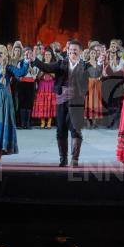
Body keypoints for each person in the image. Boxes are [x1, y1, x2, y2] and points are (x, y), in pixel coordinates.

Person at [32, 40, 102, 168]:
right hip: (62, 99)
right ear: (67, 51)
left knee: (76, 129)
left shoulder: (85, 65)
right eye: (71, 50)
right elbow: (46, 67)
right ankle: (63, 159)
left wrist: (100, 63)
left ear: (80, 51)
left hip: (77, 101)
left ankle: (74, 159)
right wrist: (34, 60)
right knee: (61, 129)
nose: (72, 52)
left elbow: (95, 73)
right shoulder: (61, 63)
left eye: (75, 50)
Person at [33, 46, 57, 129]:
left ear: (51, 56)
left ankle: (49, 123)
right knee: (42, 103)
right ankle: (42, 123)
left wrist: (48, 70)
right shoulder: (41, 64)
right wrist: (43, 70)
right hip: (42, 85)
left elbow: (55, 76)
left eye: (49, 54)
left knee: (50, 103)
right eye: (46, 54)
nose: (47, 56)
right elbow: (38, 77)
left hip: (51, 85)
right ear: (44, 56)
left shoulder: (54, 65)